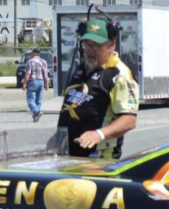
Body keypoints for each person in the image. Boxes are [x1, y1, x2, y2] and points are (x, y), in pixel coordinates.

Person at [57, 17, 139, 159]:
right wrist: (57, 138)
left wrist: (98, 134)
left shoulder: (119, 75)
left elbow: (129, 120)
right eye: (87, 44)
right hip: (69, 156)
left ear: (112, 45)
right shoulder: (81, 68)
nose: (90, 50)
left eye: (96, 45)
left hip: (99, 158)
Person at [23, 48, 50, 122]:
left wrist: (25, 83)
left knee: (30, 100)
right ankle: (36, 116)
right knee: (38, 101)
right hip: (41, 81)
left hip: (33, 81)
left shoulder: (30, 61)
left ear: (33, 53)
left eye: (31, 53)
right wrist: (47, 84)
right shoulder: (44, 61)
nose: (30, 55)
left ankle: (36, 111)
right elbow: (46, 74)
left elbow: (28, 73)